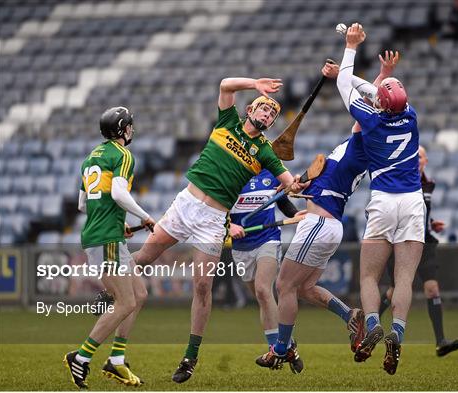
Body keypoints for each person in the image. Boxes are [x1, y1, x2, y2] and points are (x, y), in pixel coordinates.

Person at [132, 77, 305, 383]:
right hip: (186, 205)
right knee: (145, 255)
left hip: (214, 219)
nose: (267, 115)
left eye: (272, 115)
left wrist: (299, 184)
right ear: (250, 108)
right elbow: (226, 85)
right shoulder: (228, 121)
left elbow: (288, 183)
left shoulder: (265, 151)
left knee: (202, 287)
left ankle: (190, 357)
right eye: (263, 108)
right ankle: (110, 293)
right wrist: (254, 83)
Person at [256, 52, 401, 369]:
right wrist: (301, 185)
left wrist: (359, 76)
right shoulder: (356, 145)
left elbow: (367, 105)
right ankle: (350, 315)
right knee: (305, 287)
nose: (363, 114)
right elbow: (329, 176)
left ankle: (280, 348)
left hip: (319, 223)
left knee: (284, 286)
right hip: (325, 221)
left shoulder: (365, 139)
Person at [336, 23, 426, 375]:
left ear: (380, 103)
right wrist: (386, 77)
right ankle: (397, 334)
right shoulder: (412, 116)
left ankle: (373, 324)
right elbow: (382, 96)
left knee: (369, 277)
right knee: (403, 280)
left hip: (384, 202)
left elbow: (347, 83)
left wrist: (351, 47)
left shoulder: (371, 120)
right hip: (413, 202)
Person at [64, 106, 156, 389]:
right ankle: (81, 357)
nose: (131, 129)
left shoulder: (91, 157)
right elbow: (117, 192)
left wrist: (120, 225)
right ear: (122, 130)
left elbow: (83, 204)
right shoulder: (123, 155)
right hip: (106, 239)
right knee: (125, 302)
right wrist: (145, 217)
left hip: (103, 234)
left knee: (139, 294)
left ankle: (116, 361)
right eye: (129, 125)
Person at [379, 146, 458, 357]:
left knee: (432, 289)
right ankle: (369, 325)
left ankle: (440, 341)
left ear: (426, 161)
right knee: (393, 291)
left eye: (421, 156)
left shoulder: (428, 184)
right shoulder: (402, 181)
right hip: (402, 243)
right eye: (414, 156)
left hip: (425, 243)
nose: (417, 160)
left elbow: (420, 212)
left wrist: (431, 224)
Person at [229, 169, 305, 372]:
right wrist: (229, 227)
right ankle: (288, 346)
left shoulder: (271, 173)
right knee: (261, 299)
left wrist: (294, 214)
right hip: (241, 246)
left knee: (263, 290)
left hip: (267, 238)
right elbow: (217, 210)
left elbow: (280, 199)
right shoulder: (231, 172)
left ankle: (275, 350)